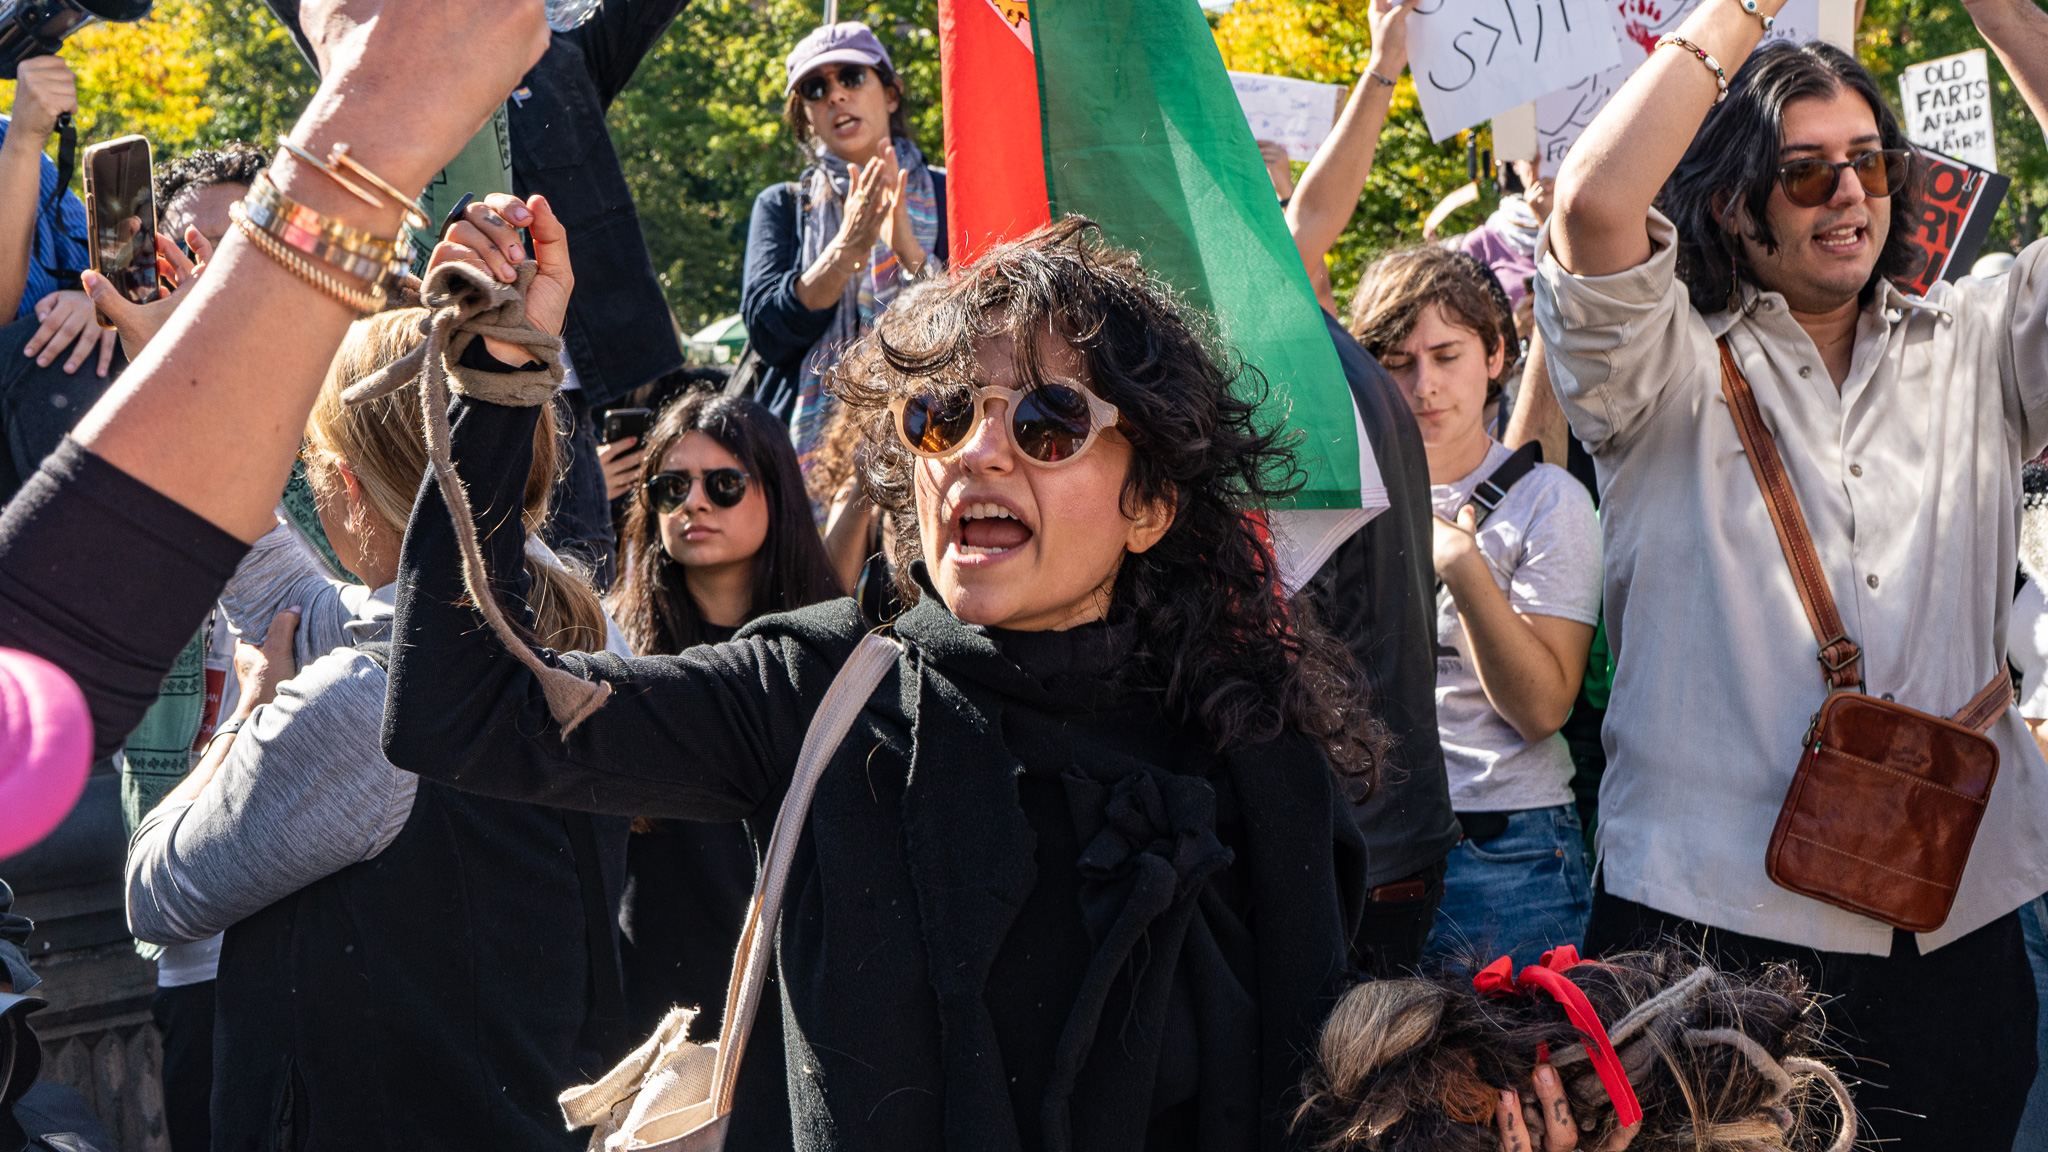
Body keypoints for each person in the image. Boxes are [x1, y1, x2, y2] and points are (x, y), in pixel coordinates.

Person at [382, 209, 1387, 1151]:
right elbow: (460, 715)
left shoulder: (1254, 754)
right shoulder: (814, 691)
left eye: (1045, 422)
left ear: (1150, 503)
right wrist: (500, 376)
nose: (979, 454)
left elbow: (1323, 1088)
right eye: (942, 416)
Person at [1542, 0, 2048, 1142]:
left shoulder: (1975, 341)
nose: (1850, 194)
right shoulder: (1654, 364)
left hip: (1952, 923)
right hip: (1704, 931)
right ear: (1732, 201)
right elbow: (1591, 206)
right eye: (1806, 172)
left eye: (1868, 162)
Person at [124, 300, 636, 1151]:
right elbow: (290, 599)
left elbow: (155, 891)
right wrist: (190, 382)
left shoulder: (370, 703)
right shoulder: (570, 633)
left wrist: (243, 726)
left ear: (347, 488)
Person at [0, 0, 551, 777]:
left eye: (245, 256)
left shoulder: (353, 421)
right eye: (208, 264)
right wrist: (377, 106)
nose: (223, 289)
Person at [1351, 245, 1601, 970]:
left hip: (1506, 851)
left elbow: (1541, 709)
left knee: (1523, 1082)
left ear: (1495, 356)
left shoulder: (1548, 501)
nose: (1423, 384)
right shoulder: (1342, 497)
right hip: (1368, 849)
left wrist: (1463, 563)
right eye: (1397, 361)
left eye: (1445, 354)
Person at [1280, 0, 1462, 977]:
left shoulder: (1279, 364)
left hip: (1345, 848)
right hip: (1379, 835)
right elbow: (1308, 219)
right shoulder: (1299, 351)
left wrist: (1383, 71)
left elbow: (1304, 223)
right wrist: (1382, 70)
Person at [605, 390, 841, 1041]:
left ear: (777, 493)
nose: (694, 504)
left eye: (725, 484)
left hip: (801, 1006)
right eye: (671, 487)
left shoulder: (837, 654)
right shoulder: (611, 646)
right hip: (656, 1020)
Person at [741, 21, 947, 469]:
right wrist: (844, 252)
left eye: (851, 78)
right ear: (806, 116)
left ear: (891, 94)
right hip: (805, 461)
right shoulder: (782, 205)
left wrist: (910, 252)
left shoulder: (954, 193)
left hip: (934, 439)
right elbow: (767, 332)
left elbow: (986, 320)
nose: (835, 96)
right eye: (815, 88)